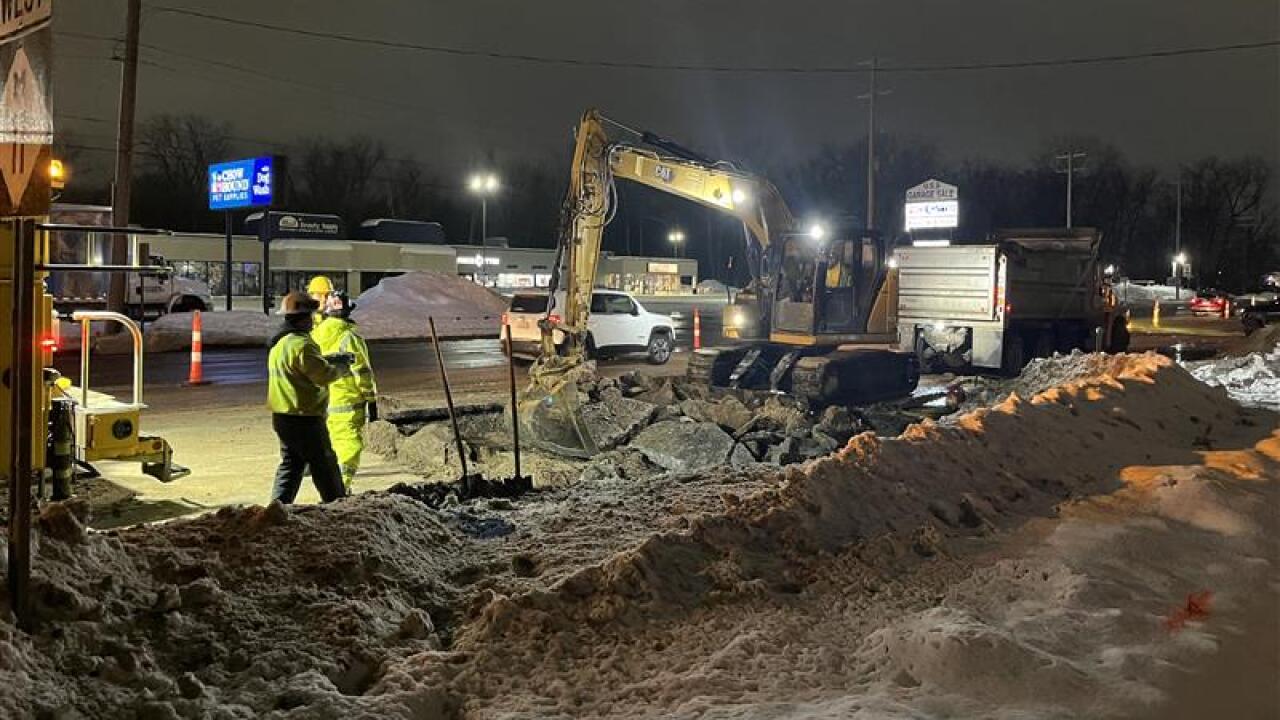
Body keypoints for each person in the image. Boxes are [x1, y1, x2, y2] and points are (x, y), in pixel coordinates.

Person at [267, 291, 351, 504]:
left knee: (291, 465)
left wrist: (327, 359)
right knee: (324, 464)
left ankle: (276, 509)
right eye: (311, 317)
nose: (314, 321)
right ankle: (338, 507)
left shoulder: (281, 343)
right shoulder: (303, 345)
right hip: (304, 417)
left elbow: (300, 368)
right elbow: (323, 375)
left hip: (283, 416)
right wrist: (341, 366)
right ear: (303, 318)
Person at [311, 291, 377, 491]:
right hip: (348, 401)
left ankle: (334, 487)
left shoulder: (315, 335)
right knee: (350, 447)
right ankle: (339, 489)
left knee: (333, 444)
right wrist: (371, 399)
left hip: (324, 400)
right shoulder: (349, 338)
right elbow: (362, 372)